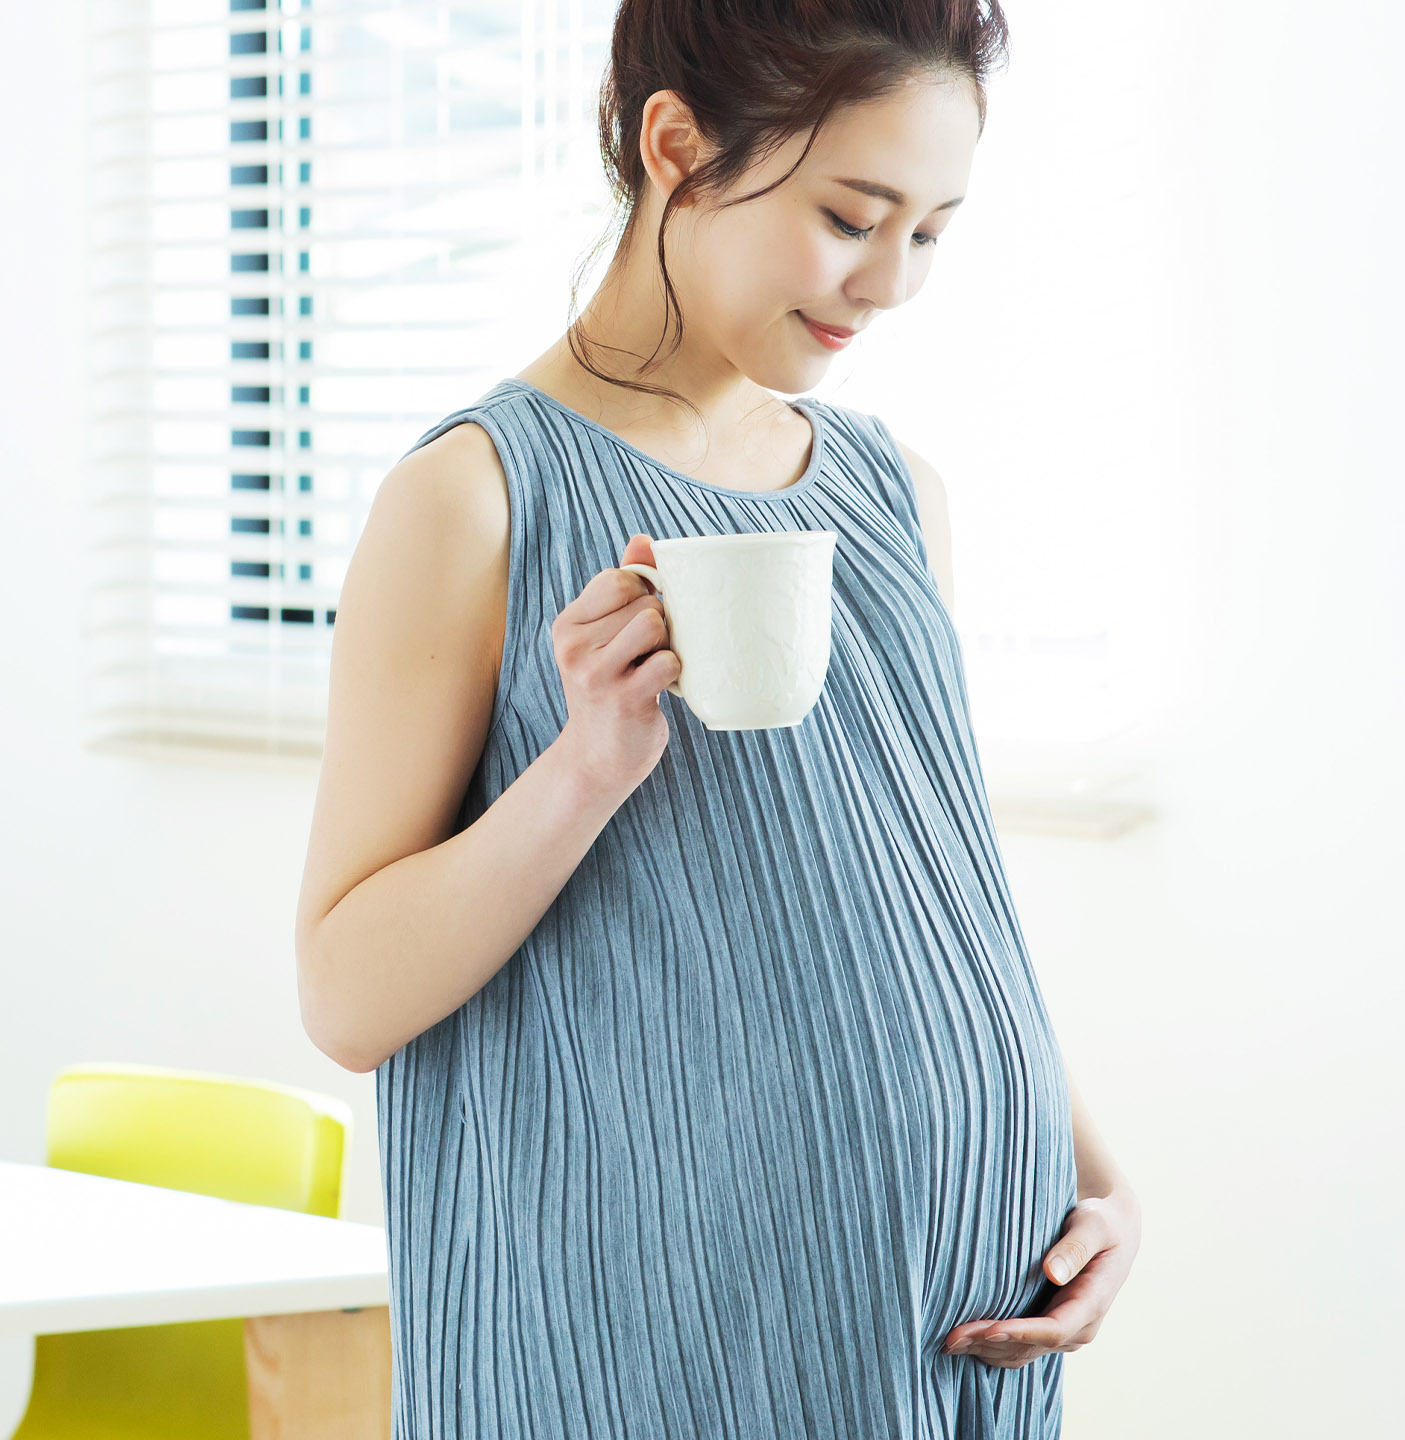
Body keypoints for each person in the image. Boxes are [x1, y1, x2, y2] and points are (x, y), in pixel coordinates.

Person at [293, 0, 1140, 1434]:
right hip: (643, 1345)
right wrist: (581, 769)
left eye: (930, 234)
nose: (888, 284)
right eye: (851, 216)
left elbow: (939, 893)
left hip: (953, 1328)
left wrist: (1091, 1177)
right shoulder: (478, 499)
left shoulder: (895, 492)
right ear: (676, 146)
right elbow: (345, 996)